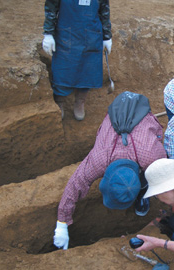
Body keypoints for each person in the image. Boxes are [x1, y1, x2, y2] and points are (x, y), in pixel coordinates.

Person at [53, 91, 167, 250]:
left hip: (142, 117)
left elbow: (160, 142)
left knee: (146, 179)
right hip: (117, 113)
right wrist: (62, 222)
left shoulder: (152, 157)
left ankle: (142, 194)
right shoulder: (99, 159)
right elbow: (75, 184)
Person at [42, 0, 113, 121]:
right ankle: (60, 101)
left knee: (87, 69)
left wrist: (107, 36)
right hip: (66, 34)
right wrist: (48, 33)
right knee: (63, 68)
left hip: (91, 34)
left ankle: (80, 101)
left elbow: (104, 11)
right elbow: (51, 8)